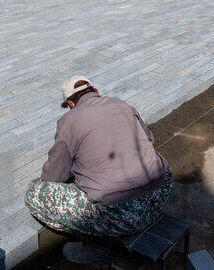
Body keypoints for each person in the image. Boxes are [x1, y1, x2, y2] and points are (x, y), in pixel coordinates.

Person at [25, 76, 172, 264]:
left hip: (126, 215)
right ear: (95, 92)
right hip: (161, 191)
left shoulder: (69, 121)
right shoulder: (121, 105)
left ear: (70, 103)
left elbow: (53, 175)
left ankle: (98, 247)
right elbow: (150, 140)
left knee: (34, 193)